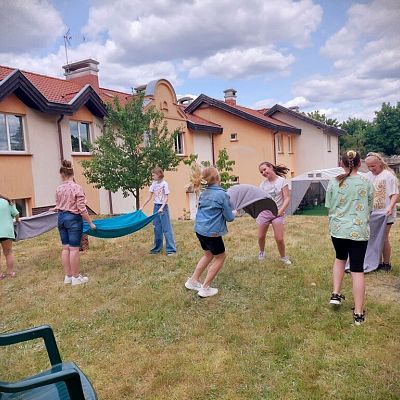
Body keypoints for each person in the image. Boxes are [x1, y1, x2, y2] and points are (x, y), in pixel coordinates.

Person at [325, 150, 374, 325]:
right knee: (357, 269)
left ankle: (336, 294)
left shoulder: (333, 182)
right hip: (359, 231)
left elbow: (329, 206)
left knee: (339, 259)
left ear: (342, 164)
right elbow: (369, 208)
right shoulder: (367, 182)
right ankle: (359, 313)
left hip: (338, 230)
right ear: (360, 163)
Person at [184, 166, 237, 298]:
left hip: (200, 230)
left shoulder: (204, 193)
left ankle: (193, 281)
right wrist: (234, 212)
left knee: (208, 254)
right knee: (220, 257)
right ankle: (205, 287)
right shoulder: (222, 195)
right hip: (211, 233)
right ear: (218, 178)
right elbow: (229, 217)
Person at [52, 160, 96, 285]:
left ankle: (68, 276)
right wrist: (91, 223)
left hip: (61, 218)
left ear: (62, 174)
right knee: (74, 249)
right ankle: (76, 278)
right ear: (72, 173)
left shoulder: (59, 188)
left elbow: (59, 204)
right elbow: (81, 209)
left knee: (65, 248)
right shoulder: (77, 188)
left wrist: (58, 207)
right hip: (73, 220)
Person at [365, 152, 399, 272]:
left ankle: (386, 263)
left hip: (385, 214)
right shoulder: (367, 176)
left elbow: (395, 194)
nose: (371, 169)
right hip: (373, 214)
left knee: (383, 238)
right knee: (373, 238)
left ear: (379, 163)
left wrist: (390, 207)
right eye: (368, 166)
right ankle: (376, 262)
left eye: (373, 166)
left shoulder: (389, 176)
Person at [257, 161, 292, 265]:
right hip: (265, 213)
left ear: (271, 167)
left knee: (279, 238)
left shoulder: (282, 181)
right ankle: (262, 252)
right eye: (261, 172)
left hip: (278, 213)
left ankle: (283, 257)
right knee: (260, 236)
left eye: (264, 169)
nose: (263, 172)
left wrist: (280, 212)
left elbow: (287, 198)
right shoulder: (262, 185)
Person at [141, 167, 176, 255]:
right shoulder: (153, 184)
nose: (152, 177)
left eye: (153, 175)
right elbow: (149, 197)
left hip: (163, 208)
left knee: (166, 228)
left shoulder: (165, 184)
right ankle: (156, 249)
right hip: (156, 207)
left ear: (158, 174)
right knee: (156, 228)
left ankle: (171, 250)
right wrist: (142, 206)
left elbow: (166, 197)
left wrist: (161, 208)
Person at [0, 194, 19, 280]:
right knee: (8, 253)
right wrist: (18, 220)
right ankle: (10, 272)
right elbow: (16, 214)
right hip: (6, 232)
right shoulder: (7, 202)